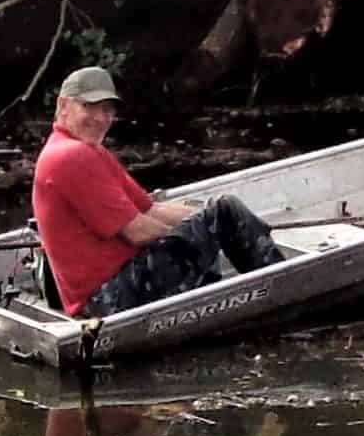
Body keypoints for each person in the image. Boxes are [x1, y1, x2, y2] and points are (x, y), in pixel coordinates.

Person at [30, 65, 285, 317]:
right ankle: (284, 286)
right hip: (109, 298)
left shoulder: (87, 151)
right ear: (63, 106)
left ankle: (265, 281)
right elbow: (137, 232)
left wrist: (199, 217)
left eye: (107, 109)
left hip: (111, 289)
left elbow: (151, 209)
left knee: (216, 211)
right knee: (223, 209)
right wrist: (205, 231)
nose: (101, 118)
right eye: (89, 106)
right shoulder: (72, 156)